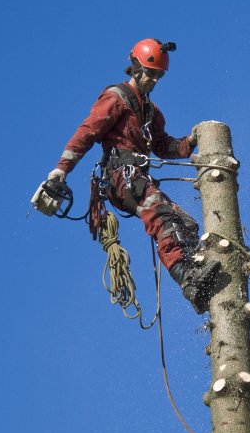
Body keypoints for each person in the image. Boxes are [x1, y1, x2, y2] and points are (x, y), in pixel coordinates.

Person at [44, 38, 220, 313]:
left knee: (185, 224)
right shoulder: (116, 97)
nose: (152, 79)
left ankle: (200, 280)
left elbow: (163, 146)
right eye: (149, 73)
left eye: (158, 75)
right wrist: (61, 170)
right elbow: (87, 132)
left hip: (138, 177)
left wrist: (190, 142)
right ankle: (188, 279)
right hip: (120, 176)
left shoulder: (151, 111)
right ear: (135, 67)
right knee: (161, 215)